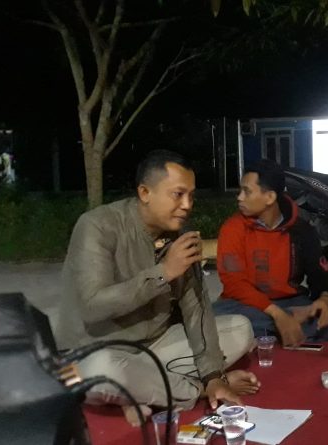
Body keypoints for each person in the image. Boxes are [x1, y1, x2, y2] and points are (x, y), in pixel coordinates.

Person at [54, 150, 259, 425]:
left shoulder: (180, 235)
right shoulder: (97, 226)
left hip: (154, 350)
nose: (187, 205)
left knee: (241, 329)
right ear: (145, 193)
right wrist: (164, 273)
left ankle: (141, 391)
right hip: (89, 354)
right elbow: (92, 306)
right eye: (178, 194)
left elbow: (196, 312)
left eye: (191, 196)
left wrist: (213, 375)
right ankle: (188, 390)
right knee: (101, 371)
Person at [212, 160, 328, 346]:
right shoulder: (232, 228)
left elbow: (319, 276)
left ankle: (267, 333)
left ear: (270, 197)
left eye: (247, 191)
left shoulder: (301, 230)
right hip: (245, 305)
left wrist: (325, 300)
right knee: (212, 317)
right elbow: (234, 284)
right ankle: (288, 327)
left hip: (292, 302)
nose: (239, 197)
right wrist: (278, 315)